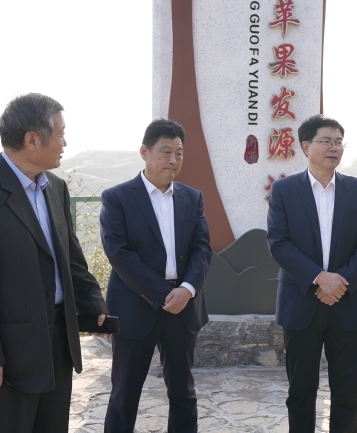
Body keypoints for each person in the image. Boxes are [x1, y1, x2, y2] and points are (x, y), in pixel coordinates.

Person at [0, 93, 109, 432]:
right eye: (60, 133)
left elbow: (71, 258)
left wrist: (94, 304)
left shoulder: (56, 188)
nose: (65, 143)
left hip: (60, 344)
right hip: (13, 353)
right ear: (32, 139)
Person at [267, 114, 357, 432]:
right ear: (306, 146)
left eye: (338, 141)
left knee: (348, 393)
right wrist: (320, 278)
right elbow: (279, 243)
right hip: (301, 302)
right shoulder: (284, 190)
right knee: (300, 392)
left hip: (348, 302)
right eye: (326, 141)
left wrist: (339, 283)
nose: (334, 147)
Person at [100, 119, 212, 433]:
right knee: (124, 394)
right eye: (165, 152)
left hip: (183, 307)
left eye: (179, 152)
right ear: (144, 152)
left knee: (183, 391)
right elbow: (119, 253)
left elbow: (202, 248)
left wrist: (187, 289)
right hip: (135, 306)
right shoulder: (118, 197)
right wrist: (164, 294)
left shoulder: (192, 197)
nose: (173, 159)